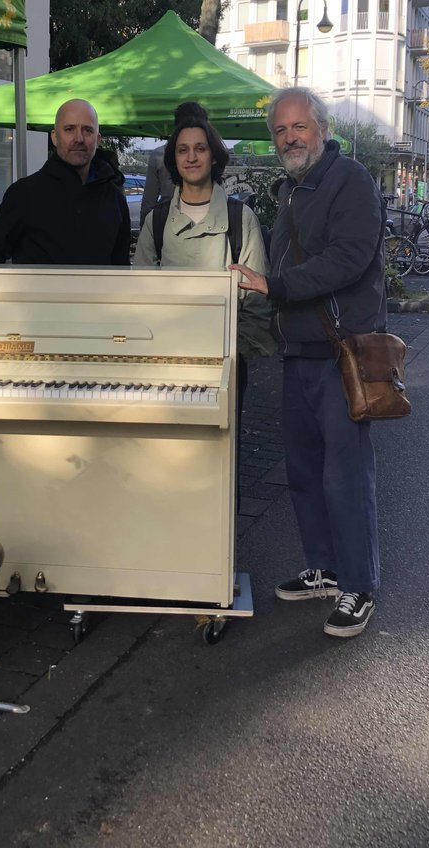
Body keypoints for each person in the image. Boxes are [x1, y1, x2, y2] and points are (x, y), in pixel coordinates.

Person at [230, 86, 387, 639]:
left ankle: (359, 585)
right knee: (303, 473)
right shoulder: (291, 189)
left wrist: (275, 286)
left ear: (321, 128)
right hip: (297, 352)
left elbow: (347, 259)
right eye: (280, 130)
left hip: (342, 353)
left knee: (345, 476)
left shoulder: (352, 182)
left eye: (299, 127)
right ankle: (325, 567)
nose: (289, 137)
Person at [134, 115, 272, 505]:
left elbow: (257, 301)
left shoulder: (239, 218)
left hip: (223, 366)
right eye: (182, 149)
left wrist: (233, 357)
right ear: (172, 161)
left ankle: (221, 559)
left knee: (221, 465)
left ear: (214, 156)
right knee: (163, 461)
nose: (191, 157)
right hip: (164, 368)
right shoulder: (156, 222)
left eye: (200, 148)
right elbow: (138, 298)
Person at [0, 99, 131, 266]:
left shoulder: (114, 200)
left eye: (87, 130)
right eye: (69, 129)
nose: (79, 138)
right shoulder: (25, 194)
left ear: (98, 139)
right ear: (54, 137)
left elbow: (121, 271)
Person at [139, 101, 209, 228]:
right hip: (201, 222)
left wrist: (145, 233)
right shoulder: (210, 155)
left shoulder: (158, 155)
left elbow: (148, 203)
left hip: (168, 224)